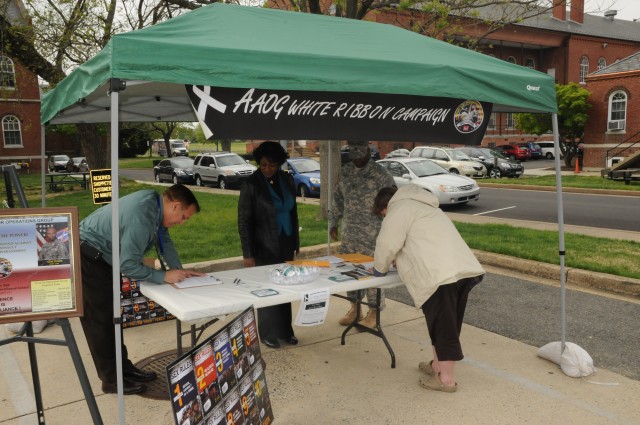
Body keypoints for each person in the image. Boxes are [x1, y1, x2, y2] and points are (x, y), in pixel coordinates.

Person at [79, 184, 204, 395]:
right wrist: (163, 276)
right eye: (184, 217)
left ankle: (124, 369)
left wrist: (179, 272)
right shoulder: (142, 217)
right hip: (89, 259)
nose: (182, 223)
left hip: (101, 258)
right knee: (100, 323)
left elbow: (165, 241)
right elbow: (128, 265)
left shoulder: (154, 205)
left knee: (113, 318)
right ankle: (111, 380)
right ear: (175, 206)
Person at [372, 185, 485, 393]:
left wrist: (379, 269)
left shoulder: (399, 209)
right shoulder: (424, 207)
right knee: (444, 324)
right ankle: (437, 366)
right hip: (460, 270)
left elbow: (387, 243)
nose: (383, 217)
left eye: (381, 214)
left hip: (439, 275)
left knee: (443, 328)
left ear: (385, 205)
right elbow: (422, 242)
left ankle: (447, 380)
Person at [238, 141, 300, 349]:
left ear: (279, 163)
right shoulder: (251, 184)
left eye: (272, 165)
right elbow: (244, 220)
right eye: (263, 164)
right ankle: (267, 333)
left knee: (286, 287)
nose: (267, 169)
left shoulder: (287, 179)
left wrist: (296, 243)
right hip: (263, 244)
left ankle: (285, 331)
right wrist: (248, 253)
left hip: (286, 241)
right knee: (268, 289)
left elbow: (293, 212)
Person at [329, 140, 395, 327]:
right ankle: (354, 308)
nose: (357, 160)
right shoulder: (346, 171)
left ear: (367, 151)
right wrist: (334, 222)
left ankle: (374, 312)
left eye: (360, 156)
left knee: (375, 273)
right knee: (349, 271)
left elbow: (392, 204)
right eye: (354, 157)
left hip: (374, 235)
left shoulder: (381, 175)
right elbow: (337, 198)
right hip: (350, 234)